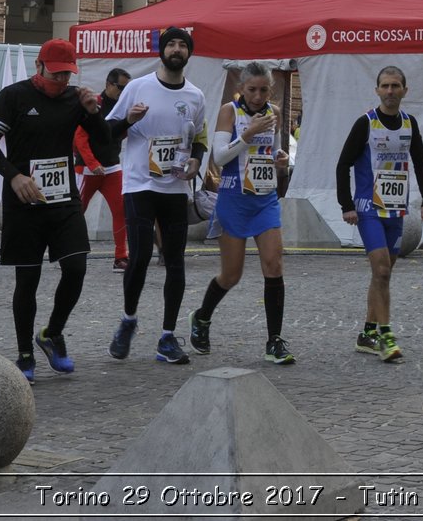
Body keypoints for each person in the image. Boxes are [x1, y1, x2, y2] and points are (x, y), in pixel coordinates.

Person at [0, 39, 111, 382]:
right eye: (56, 74)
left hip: (63, 199)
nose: (62, 82)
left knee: (77, 267)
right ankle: (24, 353)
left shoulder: (75, 97)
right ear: (39, 67)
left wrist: (94, 113)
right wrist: (14, 176)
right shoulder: (14, 96)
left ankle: (52, 333)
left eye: (67, 75)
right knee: (28, 278)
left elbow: (106, 145)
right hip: (25, 200)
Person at [105, 27, 207, 365]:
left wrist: (196, 160)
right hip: (140, 185)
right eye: (171, 44)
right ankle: (129, 319)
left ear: (189, 53)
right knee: (139, 256)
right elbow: (107, 131)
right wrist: (128, 120)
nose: (176, 50)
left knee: (175, 261)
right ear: (161, 51)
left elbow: (200, 138)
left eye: (182, 45)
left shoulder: (196, 96)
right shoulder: (137, 87)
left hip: (175, 188)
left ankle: (167, 336)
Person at [188, 62, 295, 365]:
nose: (258, 96)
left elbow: (272, 152)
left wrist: (280, 160)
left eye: (264, 90)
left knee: (274, 265)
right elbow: (220, 157)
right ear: (242, 89)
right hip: (234, 199)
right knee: (231, 274)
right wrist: (247, 135)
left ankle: (274, 340)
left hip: (264, 198)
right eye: (252, 90)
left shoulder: (273, 113)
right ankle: (202, 317)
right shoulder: (229, 111)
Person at [334, 65, 423, 363]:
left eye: (395, 86)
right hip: (368, 210)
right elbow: (343, 165)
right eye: (385, 86)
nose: (390, 92)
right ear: (377, 90)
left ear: (405, 90)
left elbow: (421, 162)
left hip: (396, 211)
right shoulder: (365, 123)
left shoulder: (409, 124)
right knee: (381, 270)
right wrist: (346, 205)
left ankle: (367, 333)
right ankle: (387, 336)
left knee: (383, 275)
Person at [76, 68, 131, 271]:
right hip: (87, 169)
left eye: (127, 88)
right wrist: (92, 163)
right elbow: (80, 138)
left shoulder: (122, 106)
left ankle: (120, 257)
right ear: (108, 84)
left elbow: (123, 133)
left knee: (121, 210)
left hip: (111, 167)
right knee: (76, 212)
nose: (123, 92)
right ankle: (71, 250)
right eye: (120, 87)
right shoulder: (93, 103)